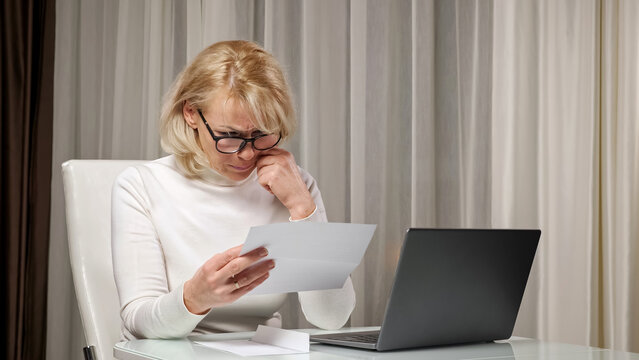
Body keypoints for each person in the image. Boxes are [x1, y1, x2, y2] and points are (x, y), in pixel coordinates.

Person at [111, 40, 355, 340]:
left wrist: (304, 210)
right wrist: (194, 299)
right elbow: (138, 322)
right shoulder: (140, 185)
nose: (247, 154)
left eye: (262, 134)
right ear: (191, 113)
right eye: (229, 136)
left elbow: (332, 318)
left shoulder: (293, 185)